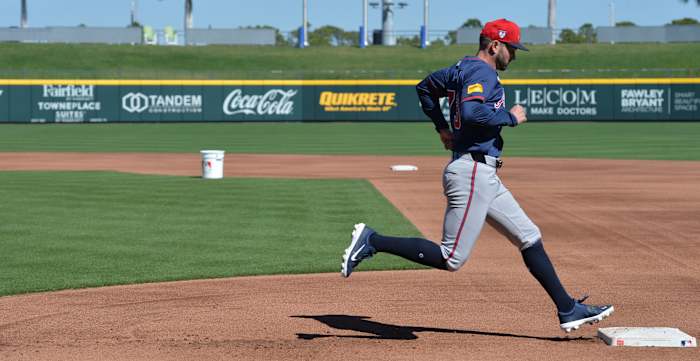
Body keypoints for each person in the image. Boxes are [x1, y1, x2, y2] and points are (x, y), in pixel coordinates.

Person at [340, 19, 614, 333]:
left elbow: (425, 88)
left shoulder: (459, 70)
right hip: (472, 172)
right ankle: (372, 240)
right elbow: (472, 113)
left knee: (528, 236)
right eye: (512, 48)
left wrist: (441, 126)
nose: (515, 55)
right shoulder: (483, 72)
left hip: (483, 173)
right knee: (451, 257)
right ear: (494, 45)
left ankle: (567, 308)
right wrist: (509, 118)